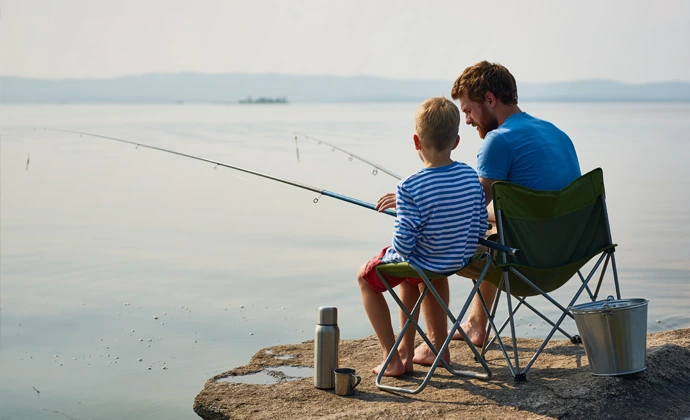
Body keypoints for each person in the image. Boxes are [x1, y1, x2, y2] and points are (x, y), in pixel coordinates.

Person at [377, 61, 581, 365]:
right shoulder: (556, 132)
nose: (469, 121)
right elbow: (513, 207)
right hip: (571, 252)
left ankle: (435, 344)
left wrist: (416, 200)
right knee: (491, 233)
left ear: (490, 99)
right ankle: (475, 323)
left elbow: (465, 209)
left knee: (430, 246)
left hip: (527, 262)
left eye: (469, 110)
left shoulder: (498, 141)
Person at [358, 96, 488, 377]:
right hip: (459, 259)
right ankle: (427, 350)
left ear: (417, 142)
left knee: (365, 278)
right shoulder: (470, 176)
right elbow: (479, 227)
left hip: (425, 263)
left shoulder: (409, 187)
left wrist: (403, 222)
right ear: (456, 141)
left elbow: (404, 246)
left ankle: (390, 356)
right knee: (415, 276)